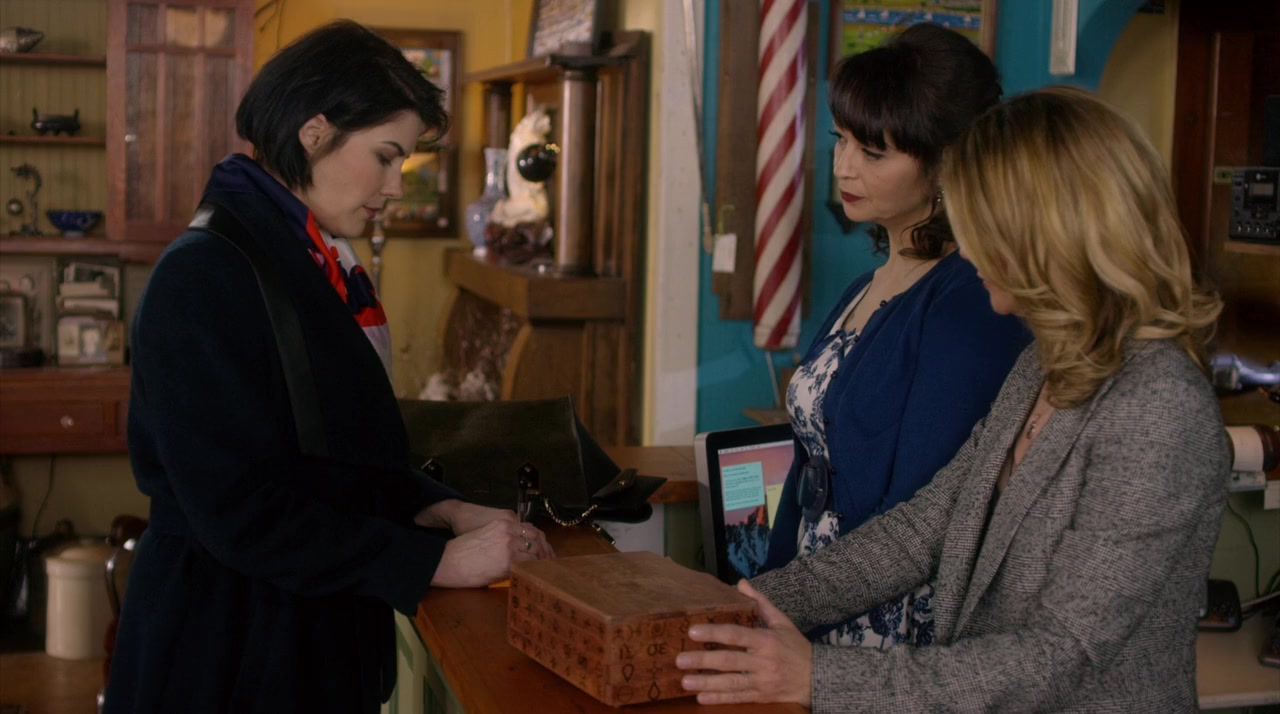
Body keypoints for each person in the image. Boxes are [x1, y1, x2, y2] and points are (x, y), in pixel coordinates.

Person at [677, 86, 1228, 712]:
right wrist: (749, 604)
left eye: (981, 225)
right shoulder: (1041, 365)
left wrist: (818, 677)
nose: (964, 244)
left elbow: (1061, 653)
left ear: (1048, 233)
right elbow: (922, 531)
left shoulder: (1158, 405)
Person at [104, 21, 552, 714]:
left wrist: (439, 507)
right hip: (227, 645)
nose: (395, 186)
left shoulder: (307, 257)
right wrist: (432, 561)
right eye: (385, 156)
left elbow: (330, 452)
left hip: (299, 631)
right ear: (314, 133)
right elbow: (240, 511)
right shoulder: (204, 275)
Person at [759, 22, 1028, 649]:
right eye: (841, 140)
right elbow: (808, 470)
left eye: (873, 153)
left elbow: (919, 516)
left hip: (886, 627)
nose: (844, 166)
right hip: (812, 595)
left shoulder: (971, 301)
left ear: (946, 163)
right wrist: (764, 594)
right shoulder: (866, 285)